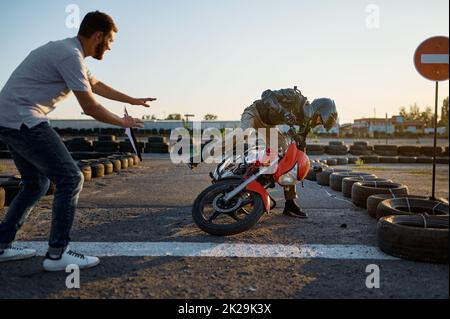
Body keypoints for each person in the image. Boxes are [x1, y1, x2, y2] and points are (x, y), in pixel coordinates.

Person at [0, 11, 156, 271]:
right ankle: (57, 254)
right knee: (71, 178)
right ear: (98, 36)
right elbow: (90, 107)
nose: (110, 47)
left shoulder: (71, 53)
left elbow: (95, 84)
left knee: (36, 183)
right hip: (24, 119)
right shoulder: (70, 56)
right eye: (109, 41)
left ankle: (2, 244)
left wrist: (131, 100)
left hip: (10, 119)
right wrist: (123, 122)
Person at [214, 87, 337, 218]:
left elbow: (300, 145)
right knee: (245, 134)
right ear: (319, 109)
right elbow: (266, 95)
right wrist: (284, 113)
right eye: (319, 120)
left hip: (268, 126)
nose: (317, 123)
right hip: (255, 112)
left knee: (289, 162)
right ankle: (208, 153)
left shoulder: (306, 122)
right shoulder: (295, 98)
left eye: (320, 123)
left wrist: (300, 165)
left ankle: (289, 204)